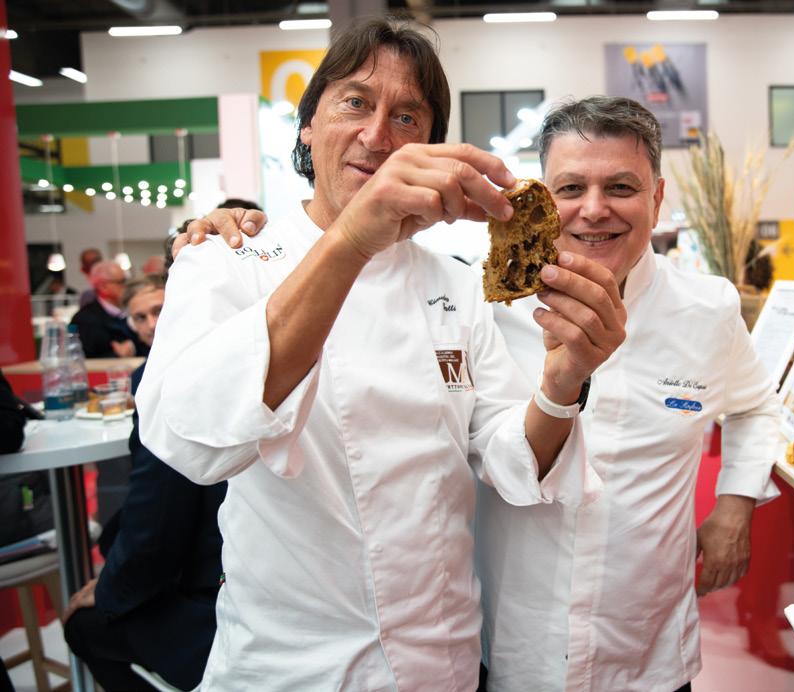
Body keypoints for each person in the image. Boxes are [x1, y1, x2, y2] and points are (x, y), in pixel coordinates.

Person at [198, 96, 782, 692]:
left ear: (656, 199)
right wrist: (238, 237)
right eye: (571, 188)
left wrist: (735, 504)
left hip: (647, 650)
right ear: (540, 197)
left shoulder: (708, 309)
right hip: (510, 648)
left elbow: (757, 404)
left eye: (622, 187)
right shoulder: (477, 300)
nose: (594, 209)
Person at [137, 19, 623, 690]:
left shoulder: (456, 285)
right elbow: (188, 441)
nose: (377, 135)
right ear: (308, 126)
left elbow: (510, 463)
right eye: (355, 103)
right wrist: (351, 240)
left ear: (430, 147)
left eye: (406, 116)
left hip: (439, 657)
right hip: (291, 667)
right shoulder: (230, 261)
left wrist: (562, 384)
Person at [63, 274, 226, 691]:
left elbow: (157, 523)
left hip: (225, 606)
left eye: (159, 309)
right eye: (141, 317)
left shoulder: (166, 377)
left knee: (83, 624)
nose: (153, 323)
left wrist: (111, 588)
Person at [70, 260, 146, 358]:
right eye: (122, 282)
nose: (127, 286)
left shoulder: (130, 311)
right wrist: (117, 355)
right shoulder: (86, 320)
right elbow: (85, 359)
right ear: (103, 287)